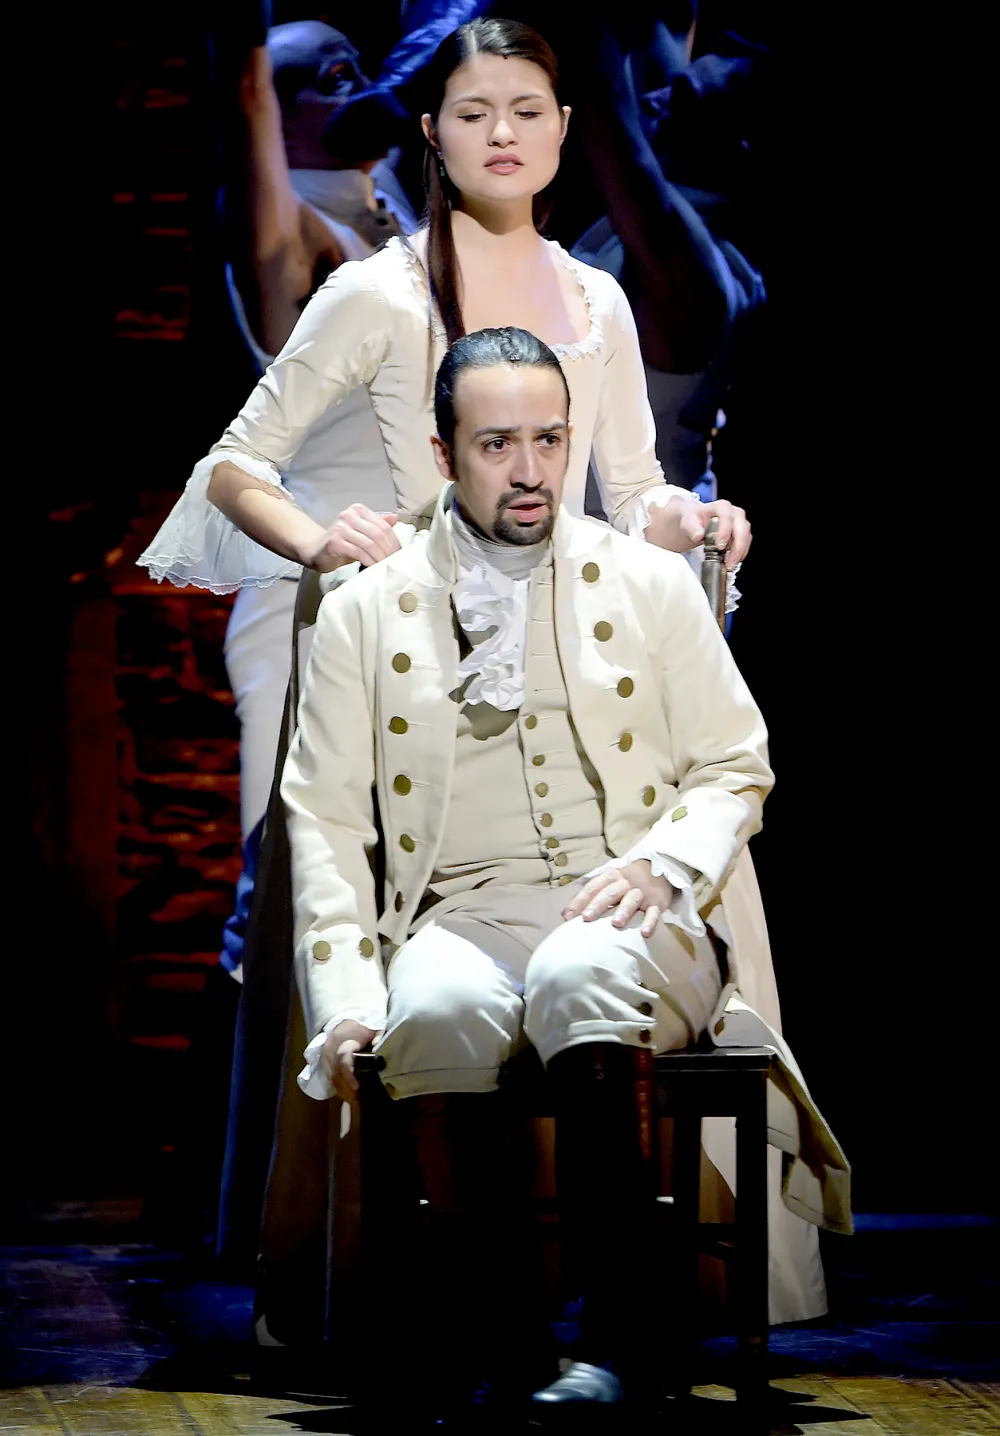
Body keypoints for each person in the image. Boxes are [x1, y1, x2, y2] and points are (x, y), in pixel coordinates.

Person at [283, 326, 849, 1423]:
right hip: (460, 911)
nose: (532, 469)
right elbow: (324, 817)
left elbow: (736, 761)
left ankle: (620, 1334)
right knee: (432, 1006)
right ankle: (497, 1336)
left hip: (639, 911)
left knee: (581, 968)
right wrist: (348, 997)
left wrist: (661, 859)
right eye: (498, 444)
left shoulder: (646, 581)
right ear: (445, 455)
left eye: (549, 438)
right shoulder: (367, 607)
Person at [221, 21, 418, 979]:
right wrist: (247, 58)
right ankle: (262, 1116)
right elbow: (249, 93)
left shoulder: (413, 229)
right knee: (292, 881)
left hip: (419, 585)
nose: (351, 75)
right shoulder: (297, 237)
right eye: (317, 74)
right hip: (308, 593)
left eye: (355, 59)